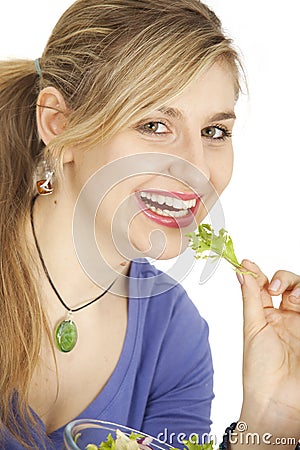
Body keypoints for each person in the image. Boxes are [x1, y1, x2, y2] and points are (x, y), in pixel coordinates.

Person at [0, 1, 299, 449]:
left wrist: (271, 420)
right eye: (155, 125)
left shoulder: (176, 336)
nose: (195, 168)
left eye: (214, 132)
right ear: (59, 124)